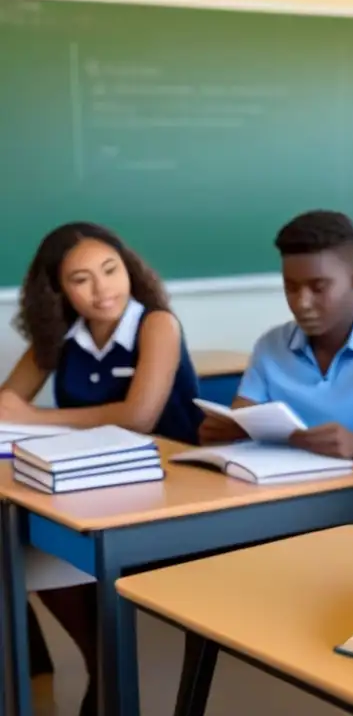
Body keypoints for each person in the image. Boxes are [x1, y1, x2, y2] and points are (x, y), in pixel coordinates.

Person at [0, 221, 205, 716]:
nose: (102, 289)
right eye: (81, 279)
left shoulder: (156, 324)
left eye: (110, 270)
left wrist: (39, 419)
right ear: (59, 290)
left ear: (129, 268)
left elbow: (139, 417)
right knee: (20, 537)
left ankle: (103, 668)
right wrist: (21, 414)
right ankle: (89, 662)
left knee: (47, 540)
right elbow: (8, 403)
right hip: (86, 481)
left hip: (168, 483)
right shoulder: (61, 337)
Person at [197, 210, 353, 477]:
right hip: (279, 494)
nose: (302, 303)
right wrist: (225, 430)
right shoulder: (270, 346)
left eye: (318, 288)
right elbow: (242, 417)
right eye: (291, 287)